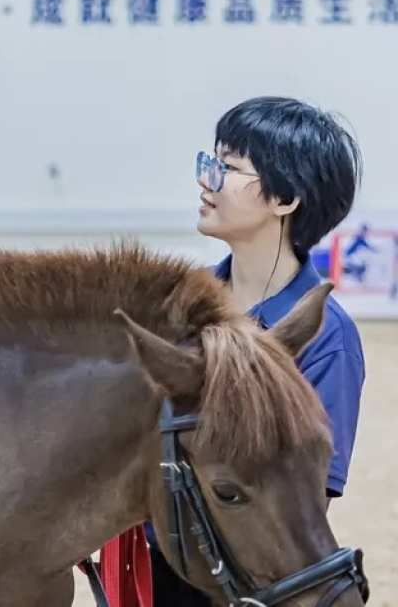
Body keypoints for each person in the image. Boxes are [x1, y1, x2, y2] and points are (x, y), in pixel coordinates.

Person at [151, 96, 366, 604]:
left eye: (227, 168)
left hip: (229, 583)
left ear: (284, 199)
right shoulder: (178, 301)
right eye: (210, 162)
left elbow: (303, 502)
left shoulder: (327, 337)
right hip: (151, 571)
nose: (206, 181)